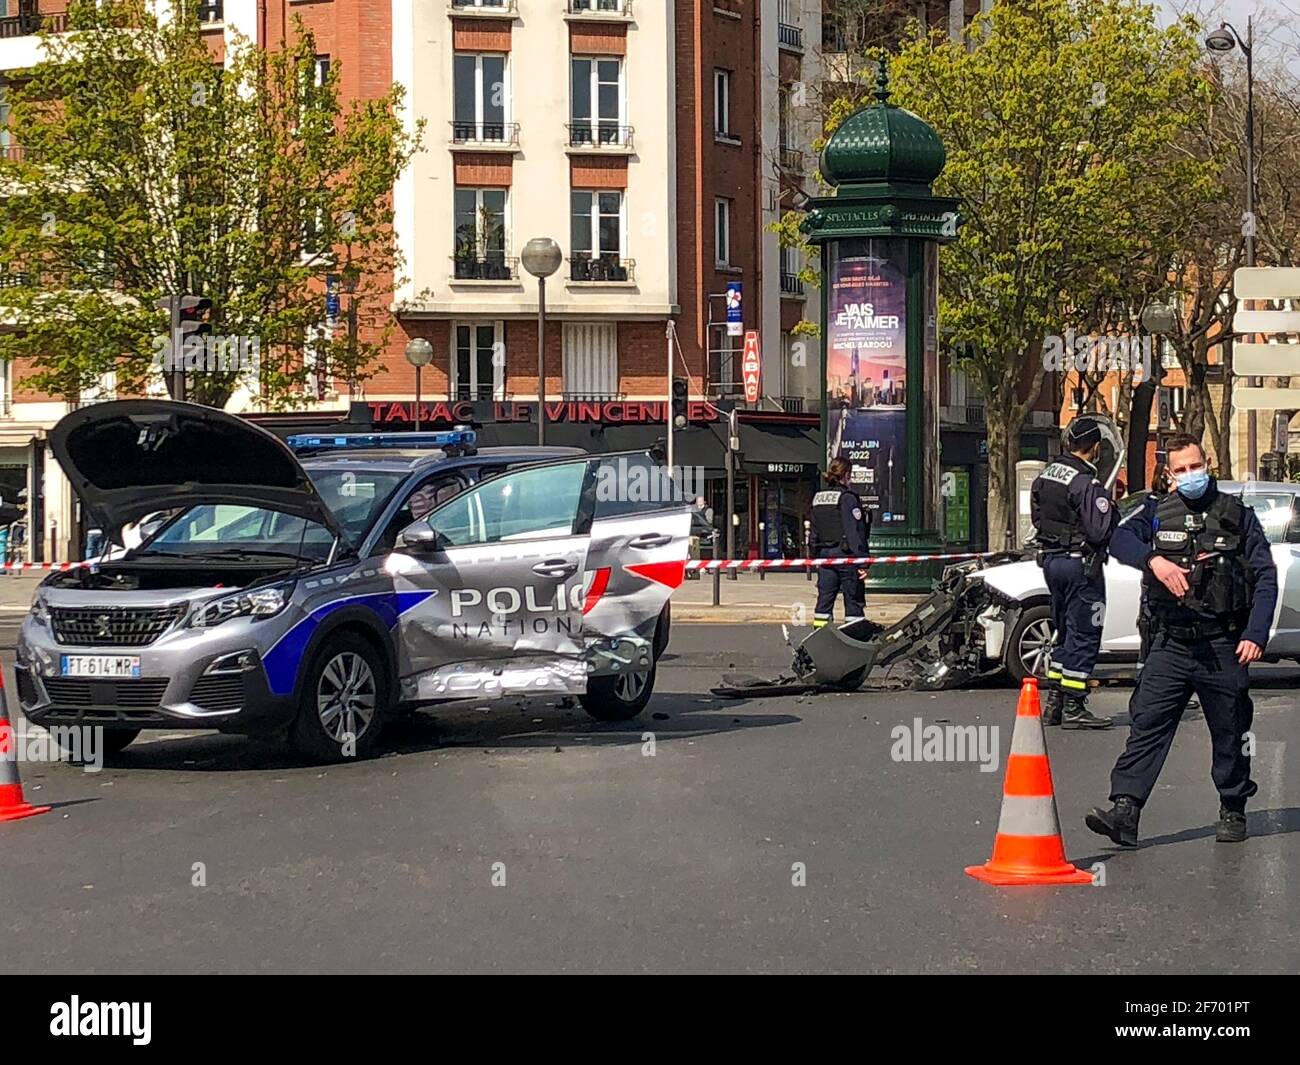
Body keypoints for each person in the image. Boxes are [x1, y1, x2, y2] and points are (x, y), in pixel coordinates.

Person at [1085, 433, 1277, 846]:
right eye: (1181, 469)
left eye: (1196, 466)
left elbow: (1265, 577)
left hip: (1222, 645)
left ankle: (1232, 805)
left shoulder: (1237, 515)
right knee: (1147, 725)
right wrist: (1153, 560)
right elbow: (1116, 538)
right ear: (1169, 474)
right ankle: (1125, 810)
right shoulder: (1154, 513)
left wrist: (1256, 634)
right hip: (1170, 643)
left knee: (1231, 730)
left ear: (1206, 463)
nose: (1190, 475)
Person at [1029, 416, 1119, 729]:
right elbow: (1099, 530)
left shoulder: (1047, 475)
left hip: (1053, 562)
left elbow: (1038, 517)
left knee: (1063, 631)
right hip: (1080, 565)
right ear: (1095, 447)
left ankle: (1055, 701)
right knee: (1084, 634)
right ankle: (1075, 705)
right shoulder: (1086, 483)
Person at [810, 457, 870, 628]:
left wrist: (815, 556)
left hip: (825, 557)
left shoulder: (818, 498)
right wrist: (863, 562)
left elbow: (814, 533)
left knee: (824, 602)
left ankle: (820, 639)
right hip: (846, 556)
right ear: (846, 474)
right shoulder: (847, 498)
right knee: (853, 601)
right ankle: (854, 638)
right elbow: (854, 533)